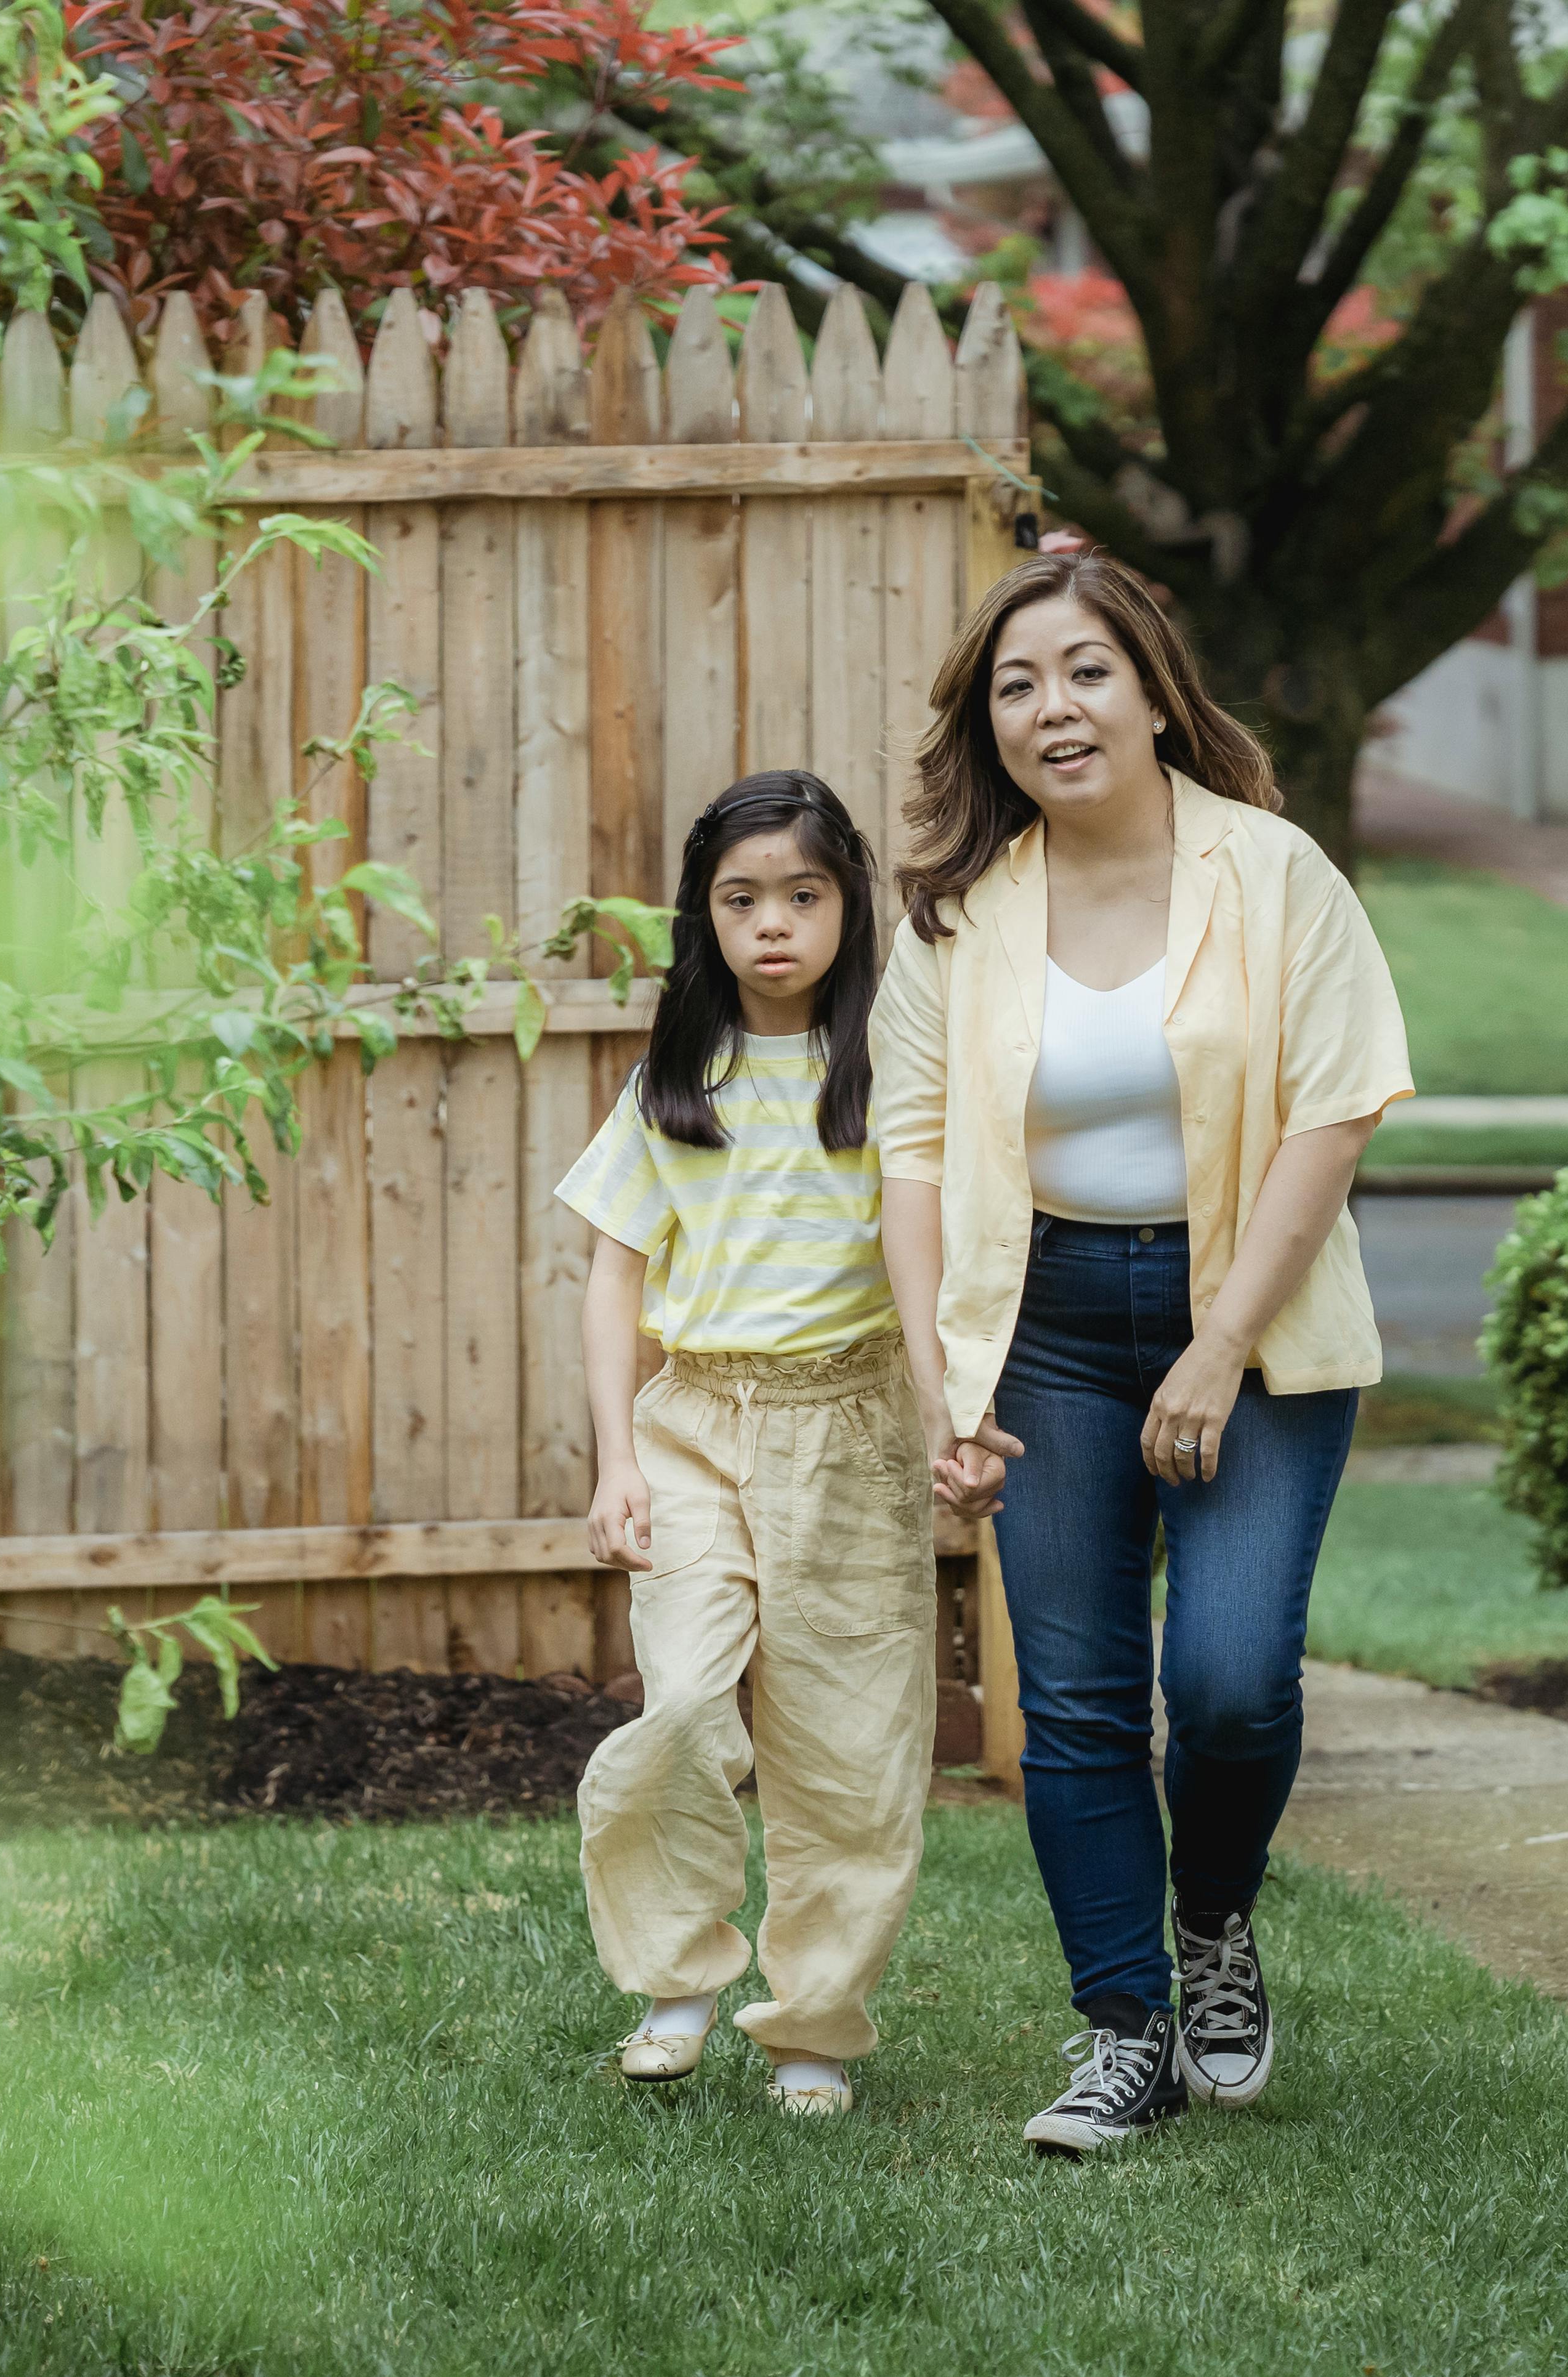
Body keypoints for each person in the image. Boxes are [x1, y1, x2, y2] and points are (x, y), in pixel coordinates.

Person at [872, 553, 1413, 2156]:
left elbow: (1335, 1108)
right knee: (1081, 1703)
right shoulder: (963, 914)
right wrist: (941, 1385)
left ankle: (1214, 1924)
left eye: (1085, 670)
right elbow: (906, 1154)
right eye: (1016, 684)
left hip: (1250, 1318)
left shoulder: (1274, 872)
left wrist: (1218, 1339)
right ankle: (1122, 2029)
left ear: (1157, 687)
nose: (1052, 707)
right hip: (1040, 1327)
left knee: (1230, 1682)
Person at [562, 771, 934, 2118]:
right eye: (740, 899)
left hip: (853, 1429)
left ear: (846, 905)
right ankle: (676, 1973)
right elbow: (612, 1274)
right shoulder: (674, 1078)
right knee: (677, 1703)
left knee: (848, 1741)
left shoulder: (893, 1069)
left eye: (801, 895)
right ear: (701, 916)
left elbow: (935, 1252)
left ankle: (814, 2029)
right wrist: (614, 1460)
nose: (771, 922)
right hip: (696, 1429)